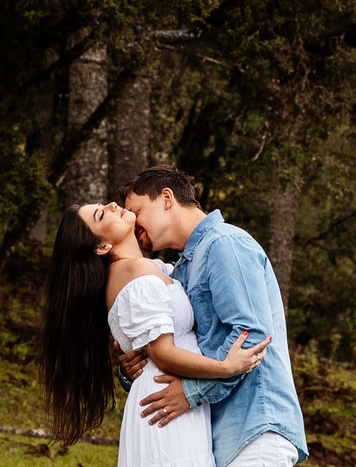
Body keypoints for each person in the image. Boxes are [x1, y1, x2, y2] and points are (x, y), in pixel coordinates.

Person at [38, 199, 270, 465]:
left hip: (167, 397)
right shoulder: (134, 272)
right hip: (166, 400)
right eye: (102, 215)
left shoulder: (143, 269)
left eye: (104, 205)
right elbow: (162, 353)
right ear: (102, 246)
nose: (113, 204)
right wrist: (226, 367)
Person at [122, 168, 308, 467]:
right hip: (217, 436)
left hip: (256, 427)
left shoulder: (225, 244)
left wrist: (192, 391)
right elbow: (184, 347)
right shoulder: (182, 269)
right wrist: (139, 364)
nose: (133, 224)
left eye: (136, 211)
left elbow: (254, 337)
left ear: (167, 198)